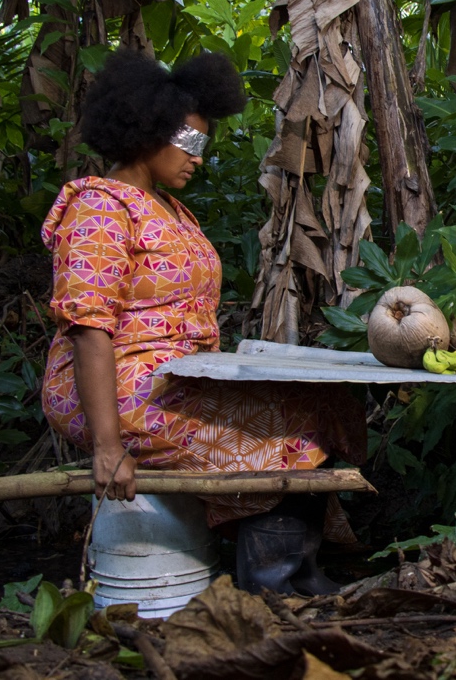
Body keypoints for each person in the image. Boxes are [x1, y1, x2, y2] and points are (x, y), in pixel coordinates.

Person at [41, 50, 366, 595]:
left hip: (174, 378)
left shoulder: (170, 209)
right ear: (147, 131)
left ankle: (298, 574)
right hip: (113, 387)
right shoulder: (100, 207)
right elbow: (89, 326)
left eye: (203, 145)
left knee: (320, 405)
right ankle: (274, 587)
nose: (198, 158)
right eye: (189, 142)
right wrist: (106, 445)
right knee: (279, 435)